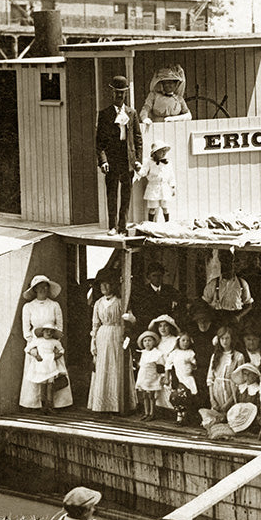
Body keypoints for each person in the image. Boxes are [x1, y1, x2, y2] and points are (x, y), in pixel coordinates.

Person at [96, 75, 142, 236]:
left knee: (126, 194)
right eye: (117, 93)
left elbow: (137, 138)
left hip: (127, 159)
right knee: (112, 193)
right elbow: (99, 142)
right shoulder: (104, 114)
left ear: (126, 94)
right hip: (112, 159)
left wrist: (138, 161)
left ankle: (122, 227)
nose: (120, 96)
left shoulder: (132, 113)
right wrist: (103, 161)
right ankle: (113, 226)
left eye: (122, 93)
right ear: (112, 93)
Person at [20, 275, 71, 411]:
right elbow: (26, 330)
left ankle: (57, 403)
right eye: (39, 287)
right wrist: (33, 348)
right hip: (36, 346)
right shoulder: (28, 307)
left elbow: (59, 327)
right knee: (36, 373)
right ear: (34, 289)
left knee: (53, 374)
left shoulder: (54, 305)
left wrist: (55, 345)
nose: (43, 289)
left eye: (45, 286)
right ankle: (34, 403)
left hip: (51, 345)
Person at [88, 274, 131, 413]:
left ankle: (116, 405)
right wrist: (93, 343)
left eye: (107, 284)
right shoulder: (98, 303)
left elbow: (128, 320)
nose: (104, 287)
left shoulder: (120, 302)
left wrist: (125, 335)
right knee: (102, 368)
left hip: (117, 334)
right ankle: (102, 405)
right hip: (102, 335)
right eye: (102, 285)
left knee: (116, 367)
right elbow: (95, 324)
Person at [202, 251, 254, 327]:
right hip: (217, 319)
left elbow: (249, 305)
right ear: (221, 264)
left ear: (235, 266)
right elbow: (204, 303)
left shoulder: (242, 283)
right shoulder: (213, 283)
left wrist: (238, 317)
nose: (227, 268)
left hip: (235, 319)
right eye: (225, 264)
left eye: (230, 264)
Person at [131, 261, 185, 334]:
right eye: (154, 275)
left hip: (166, 328)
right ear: (148, 277)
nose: (157, 278)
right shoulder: (141, 292)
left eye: (159, 276)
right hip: (148, 328)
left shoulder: (169, 290)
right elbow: (137, 312)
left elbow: (181, 302)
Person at [23, 325, 66, 414]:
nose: (49, 333)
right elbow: (27, 349)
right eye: (47, 331)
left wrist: (55, 356)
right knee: (43, 384)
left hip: (51, 365)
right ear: (42, 332)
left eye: (51, 331)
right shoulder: (38, 341)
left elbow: (62, 350)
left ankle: (49, 406)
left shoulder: (54, 342)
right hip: (41, 365)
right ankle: (43, 407)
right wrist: (36, 355)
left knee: (50, 385)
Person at [206, 326, 247, 413]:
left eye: (227, 338)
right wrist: (212, 399)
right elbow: (210, 378)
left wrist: (229, 402)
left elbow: (240, 382)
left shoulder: (238, 356)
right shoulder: (215, 356)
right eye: (222, 338)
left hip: (231, 393)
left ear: (231, 339)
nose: (224, 341)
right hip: (217, 392)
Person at [137, 141, 176, 223]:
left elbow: (171, 176)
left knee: (165, 207)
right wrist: (138, 169)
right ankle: (150, 225)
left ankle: (167, 223)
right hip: (153, 187)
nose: (163, 153)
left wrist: (172, 187)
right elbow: (143, 172)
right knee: (152, 207)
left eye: (165, 151)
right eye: (161, 151)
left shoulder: (168, 163)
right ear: (155, 153)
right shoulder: (149, 162)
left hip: (164, 187)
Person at [166, 332, 198, 424]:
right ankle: (179, 415)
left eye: (187, 341)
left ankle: (184, 417)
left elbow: (195, 366)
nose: (185, 342)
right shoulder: (175, 353)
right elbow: (168, 364)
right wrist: (167, 377)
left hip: (188, 378)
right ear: (178, 341)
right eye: (183, 340)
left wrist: (192, 364)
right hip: (179, 378)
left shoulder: (191, 353)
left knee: (186, 396)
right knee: (176, 396)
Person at [135, 330, 166, 421]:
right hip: (143, 377)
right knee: (144, 395)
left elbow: (161, 365)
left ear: (154, 342)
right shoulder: (143, 352)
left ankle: (152, 413)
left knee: (151, 396)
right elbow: (141, 364)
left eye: (149, 340)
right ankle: (146, 412)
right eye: (145, 341)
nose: (147, 343)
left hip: (152, 377)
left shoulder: (157, 353)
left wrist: (162, 376)